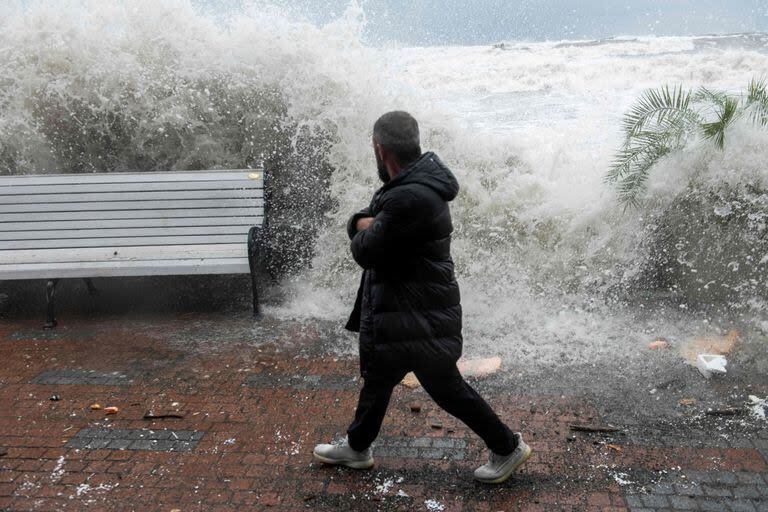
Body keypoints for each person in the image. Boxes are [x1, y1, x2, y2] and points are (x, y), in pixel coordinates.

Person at [313, 111, 531, 484]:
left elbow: (365, 248)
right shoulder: (412, 187)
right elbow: (375, 223)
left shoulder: (409, 197)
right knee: (377, 380)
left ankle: (507, 447)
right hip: (405, 310)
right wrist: (366, 221)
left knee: (446, 389)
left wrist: (359, 224)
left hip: (418, 315)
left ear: (380, 150)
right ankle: (357, 446)